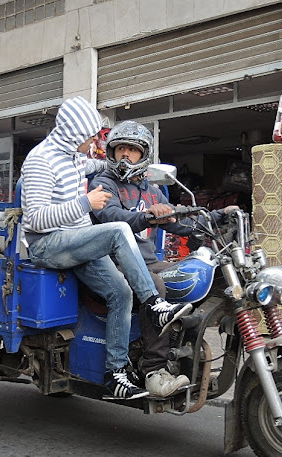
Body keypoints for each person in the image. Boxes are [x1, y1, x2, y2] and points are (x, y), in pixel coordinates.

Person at [20, 97, 193, 401]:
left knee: (121, 293)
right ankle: (154, 304)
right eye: (91, 138)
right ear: (75, 135)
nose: (94, 144)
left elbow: (106, 165)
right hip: (47, 245)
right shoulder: (39, 162)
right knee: (118, 230)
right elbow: (35, 219)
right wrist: (86, 203)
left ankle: (114, 374)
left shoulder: (73, 156)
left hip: (77, 239)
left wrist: (137, 169)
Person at [89, 120, 237, 397]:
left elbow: (178, 220)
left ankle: (178, 344)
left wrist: (218, 215)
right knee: (156, 285)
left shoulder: (149, 189)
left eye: (132, 150)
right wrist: (147, 216)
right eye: (120, 149)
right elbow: (111, 217)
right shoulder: (103, 183)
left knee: (189, 273)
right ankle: (153, 369)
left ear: (143, 156)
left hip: (147, 260)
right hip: (112, 262)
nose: (125, 155)